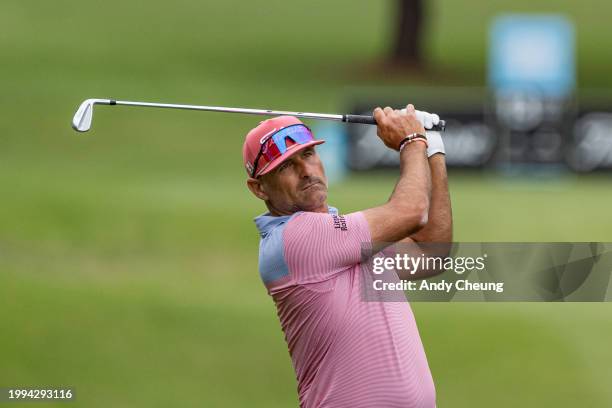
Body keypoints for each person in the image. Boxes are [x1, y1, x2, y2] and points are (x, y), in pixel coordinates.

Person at [243, 104, 452, 408]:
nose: (306, 171)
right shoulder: (295, 239)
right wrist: (411, 142)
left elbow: (431, 253)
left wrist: (433, 148)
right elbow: (412, 212)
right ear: (259, 189)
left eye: (308, 155)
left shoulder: (340, 236)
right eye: (286, 166)